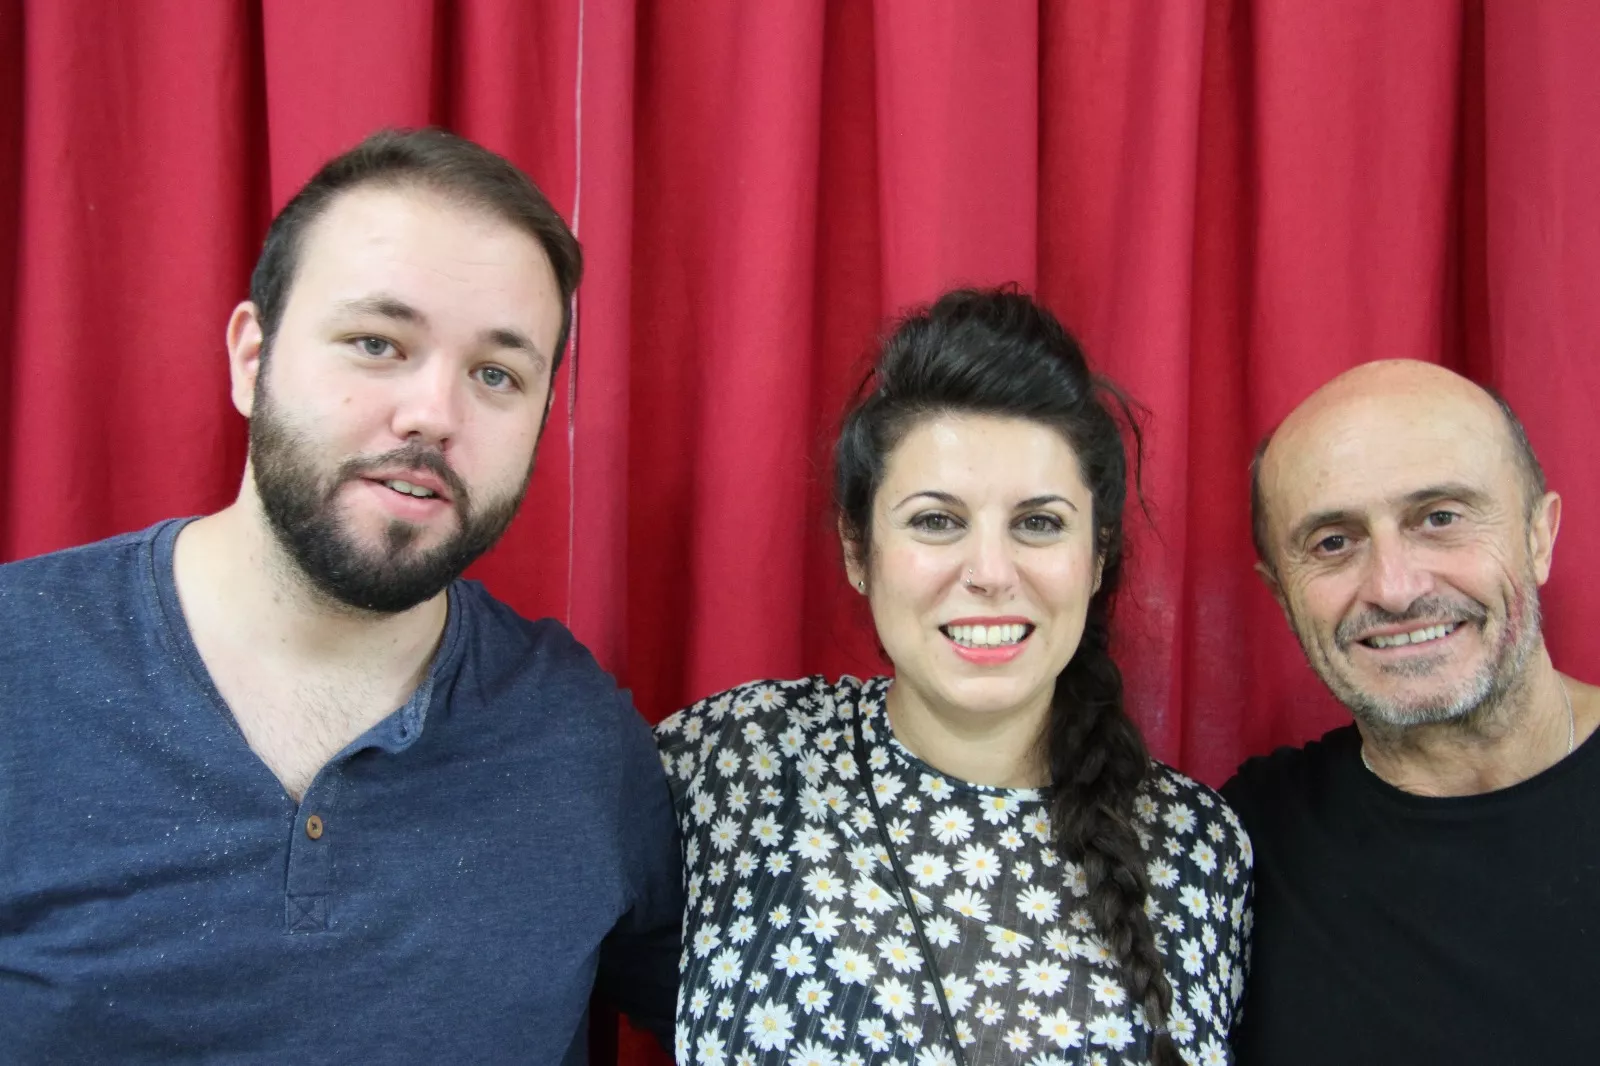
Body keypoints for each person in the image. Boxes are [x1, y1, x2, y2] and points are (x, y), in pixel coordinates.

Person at [0, 129, 680, 1064]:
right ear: (253, 356)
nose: (434, 414)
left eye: (497, 374)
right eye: (376, 343)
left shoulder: (581, 742)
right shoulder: (17, 663)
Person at [657, 289, 1252, 1066]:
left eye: (1039, 523)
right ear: (856, 550)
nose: (991, 573)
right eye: (937, 520)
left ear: (1097, 557)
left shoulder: (1202, 851)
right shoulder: (732, 761)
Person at [1223, 359, 1598, 1064]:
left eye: (1440, 518)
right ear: (1281, 595)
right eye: (1333, 542)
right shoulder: (1239, 847)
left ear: (1539, 536)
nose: (1394, 588)